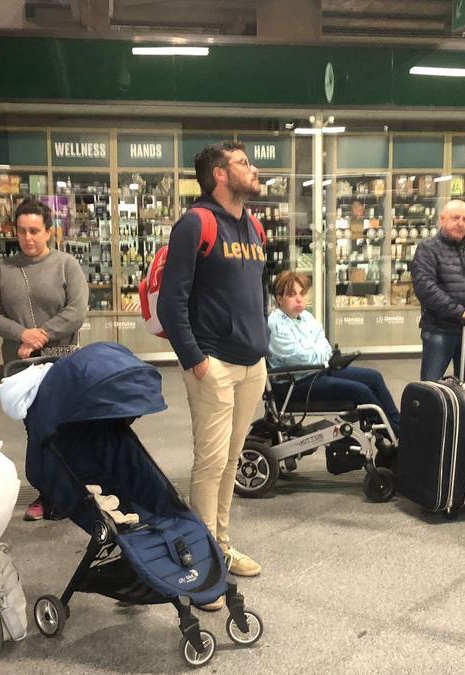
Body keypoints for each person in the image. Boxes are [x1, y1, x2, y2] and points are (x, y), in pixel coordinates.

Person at [157, 141, 269, 604]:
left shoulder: (254, 226)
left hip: (251, 363)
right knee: (209, 463)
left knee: (230, 461)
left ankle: (221, 545)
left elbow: (254, 294)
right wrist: (196, 361)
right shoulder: (195, 223)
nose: (253, 169)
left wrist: (262, 347)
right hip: (214, 364)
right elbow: (171, 301)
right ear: (219, 175)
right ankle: (203, 565)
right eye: (244, 163)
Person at [0, 198, 88, 522]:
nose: (28, 237)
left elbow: (76, 310)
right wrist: (21, 333)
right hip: (20, 364)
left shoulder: (65, 264)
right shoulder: (4, 269)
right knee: (36, 429)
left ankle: (66, 492)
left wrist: (40, 334)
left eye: (34, 231)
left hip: (59, 360)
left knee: (61, 426)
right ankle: (46, 492)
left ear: (48, 232)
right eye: (22, 231)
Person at [267, 271, 402, 443]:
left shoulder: (305, 317)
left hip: (317, 372)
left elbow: (325, 347)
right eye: (292, 295)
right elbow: (299, 358)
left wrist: (316, 353)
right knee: (360, 391)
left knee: (374, 377)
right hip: (295, 383)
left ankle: (399, 428)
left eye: (302, 293)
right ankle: (394, 435)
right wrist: (318, 353)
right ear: (279, 299)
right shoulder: (275, 324)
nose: (299, 299)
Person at [411, 199, 465, 385]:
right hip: (439, 329)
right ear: (442, 219)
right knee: (431, 388)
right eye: (455, 218)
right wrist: (460, 313)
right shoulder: (427, 249)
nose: (460, 223)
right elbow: (426, 288)